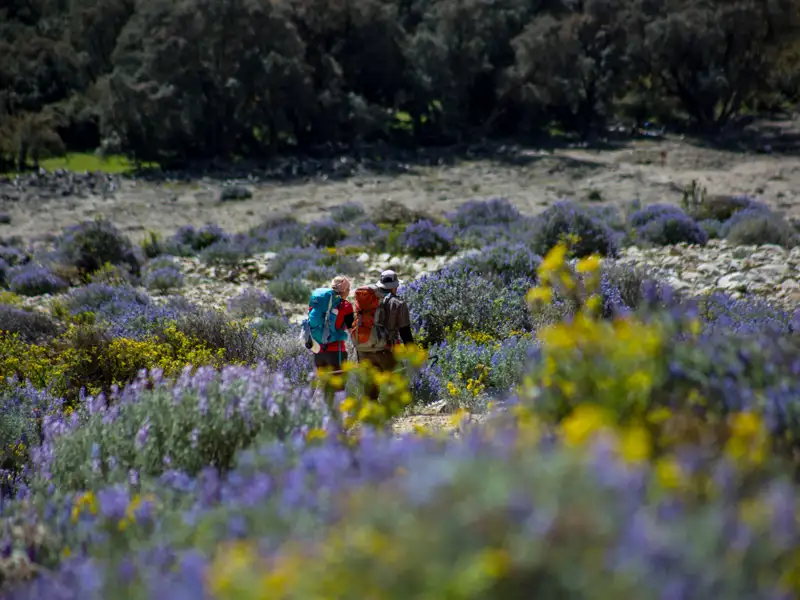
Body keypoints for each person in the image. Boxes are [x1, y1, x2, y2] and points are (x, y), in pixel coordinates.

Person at [352, 269, 414, 399]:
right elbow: (405, 332)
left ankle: (369, 414)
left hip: (364, 350)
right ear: (394, 287)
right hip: (386, 350)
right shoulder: (398, 303)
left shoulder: (367, 302)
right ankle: (398, 415)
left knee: (370, 387)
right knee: (396, 381)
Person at [307, 275, 354, 375]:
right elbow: (352, 329)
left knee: (321, 385)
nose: (349, 291)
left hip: (318, 351)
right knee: (338, 388)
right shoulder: (346, 306)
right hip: (336, 353)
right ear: (344, 290)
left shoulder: (321, 302)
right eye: (348, 289)